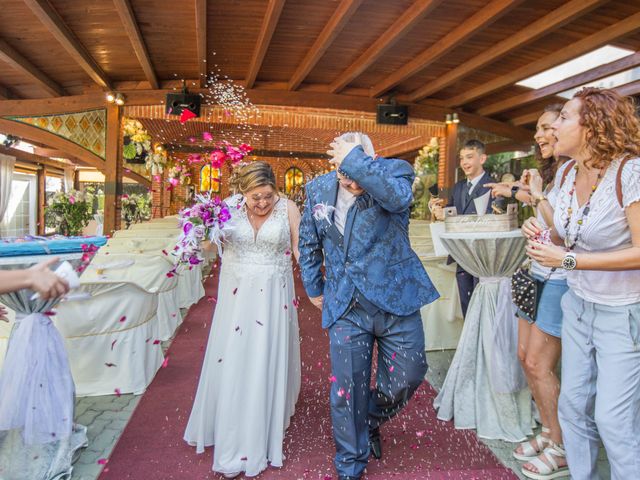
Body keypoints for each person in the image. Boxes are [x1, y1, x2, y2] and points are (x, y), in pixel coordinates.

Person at [298, 132, 439, 480]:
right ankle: (350, 463)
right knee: (347, 387)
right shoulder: (317, 189)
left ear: (369, 160)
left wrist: (354, 161)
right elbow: (308, 240)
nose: (348, 178)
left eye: (355, 166)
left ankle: (370, 419)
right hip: (346, 303)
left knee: (408, 376)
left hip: (395, 299)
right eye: (342, 169)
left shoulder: (395, 174)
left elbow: (396, 199)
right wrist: (315, 286)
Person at [525, 87, 640, 480]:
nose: (553, 126)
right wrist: (544, 234)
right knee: (573, 407)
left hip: (622, 313)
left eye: (564, 118)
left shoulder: (630, 172)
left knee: (613, 419)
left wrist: (568, 258)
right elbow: (565, 233)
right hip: (577, 304)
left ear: (592, 127)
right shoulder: (567, 172)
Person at [184, 162, 302, 478]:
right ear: (242, 192)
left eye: (267, 195)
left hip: (272, 298)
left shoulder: (288, 208)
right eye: (255, 197)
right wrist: (200, 230)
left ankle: (262, 421)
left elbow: (299, 249)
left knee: (263, 356)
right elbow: (211, 247)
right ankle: (230, 417)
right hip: (236, 299)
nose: (262, 203)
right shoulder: (227, 209)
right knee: (234, 355)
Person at [488, 104, 572, 479]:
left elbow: (567, 230)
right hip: (533, 272)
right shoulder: (553, 173)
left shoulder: (575, 173)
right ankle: (548, 430)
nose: (538, 136)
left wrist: (535, 199)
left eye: (546, 127)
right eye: (537, 130)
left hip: (560, 278)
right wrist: (519, 193)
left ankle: (562, 444)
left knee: (539, 362)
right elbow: (538, 206)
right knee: (525, 357)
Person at [429, 139, 493, 317]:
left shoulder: (492, 186)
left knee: (483, 306)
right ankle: (469, 343)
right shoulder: (458, 187)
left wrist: (449, 216)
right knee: (467, 304)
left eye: (469, 157)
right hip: (460, 254)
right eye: (462, 158)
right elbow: (449, 210)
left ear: (482, 159)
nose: (464, 162)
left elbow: (488, 221)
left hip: (482, 256)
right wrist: (436, 209)